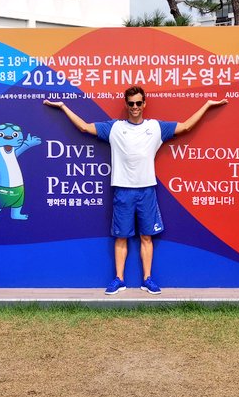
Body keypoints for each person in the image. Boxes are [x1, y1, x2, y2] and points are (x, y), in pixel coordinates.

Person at [44, 86, 227, 294]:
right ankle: (119, 280)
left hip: (147, 191)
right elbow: (85, 127)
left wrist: (207, 106)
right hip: (123, 191)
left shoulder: (156, 127)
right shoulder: (114, 128)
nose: (135, 107)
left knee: (146, 237)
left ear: (144, 104)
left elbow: (185, 127)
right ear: (126, 104)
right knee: (121, 237)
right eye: (131, 103)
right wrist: (63, 106)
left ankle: (147, 279)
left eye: (138, 103)